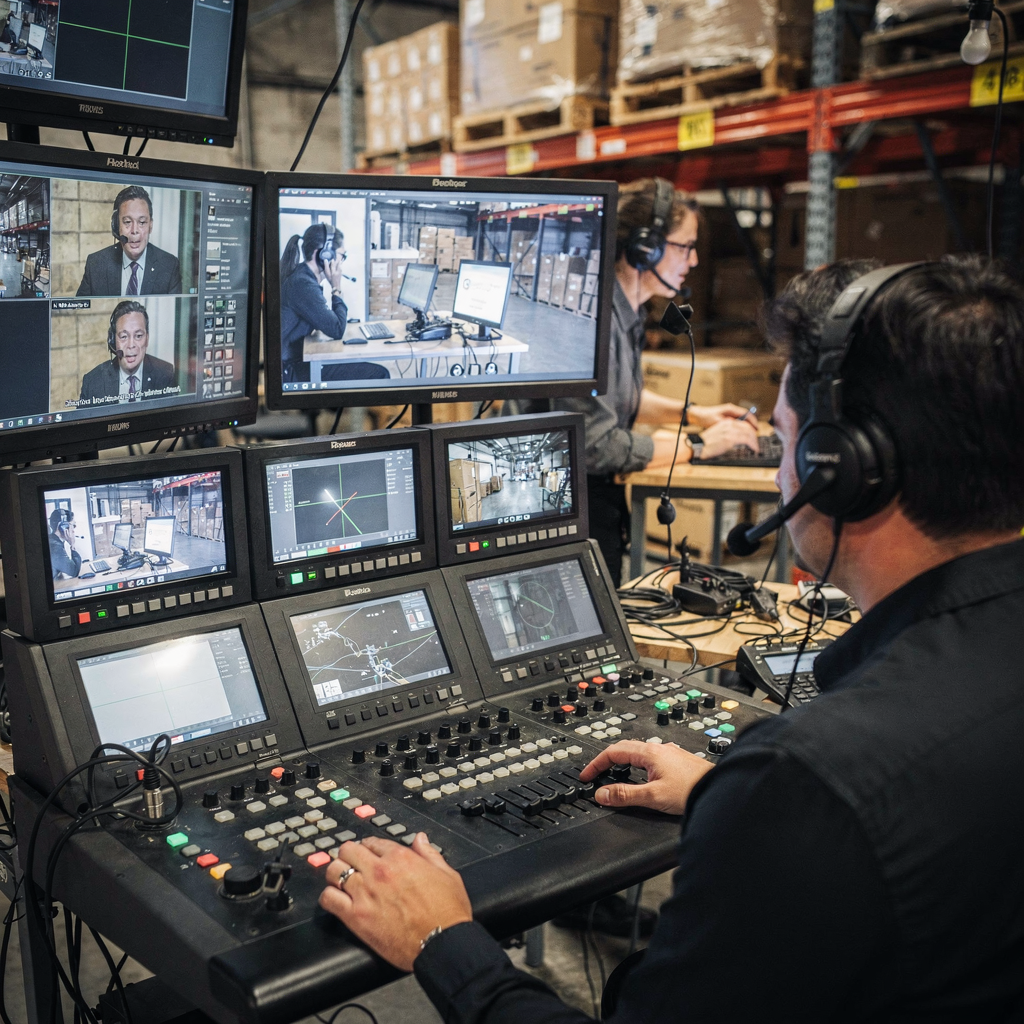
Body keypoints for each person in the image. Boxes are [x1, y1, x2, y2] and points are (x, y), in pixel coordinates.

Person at [317, 256, 1024, 1023]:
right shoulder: (809, 785)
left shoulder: (806, 781)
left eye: (787, 438)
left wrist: (443, 938)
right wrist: (727, 800)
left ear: (843, 468)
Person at [508, 178, 760, 584]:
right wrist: (699, 446)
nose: (693, 261)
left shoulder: (624, 309)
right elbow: (596, 446)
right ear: (646, 247)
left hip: (588, 497)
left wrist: (697, 415)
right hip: (556, 507)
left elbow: (623, 398)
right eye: (686, 246)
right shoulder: (591, 319)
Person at [279, 223, 389, 383]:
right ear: (325, 254)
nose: (342, 261)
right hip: (291, 370)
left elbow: (323, 322)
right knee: (379, 373)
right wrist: (336, 287)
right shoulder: (303, 284)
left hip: (294, 361)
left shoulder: (303, 276)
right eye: (341, 255)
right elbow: (336, 329)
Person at [77, 185, 182, 297]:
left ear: (150, 225)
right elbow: (78, 307)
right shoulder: (96, 264)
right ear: (116, 225)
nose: (134, 230)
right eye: (127, 222)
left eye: (142, 222)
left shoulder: (169, 265)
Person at [79, 300, 176, 406]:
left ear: (147, 339)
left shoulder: (166, 373)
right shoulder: (93, 381)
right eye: (124, 336)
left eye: (138, 336)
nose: (131, 345)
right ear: (113, 340)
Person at [48, 509, 82, 580]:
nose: (73, 530)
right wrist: (72, 544)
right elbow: (74, 571)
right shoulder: (55, 547)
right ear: (63, 527)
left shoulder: (53, 541)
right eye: (73, 525)